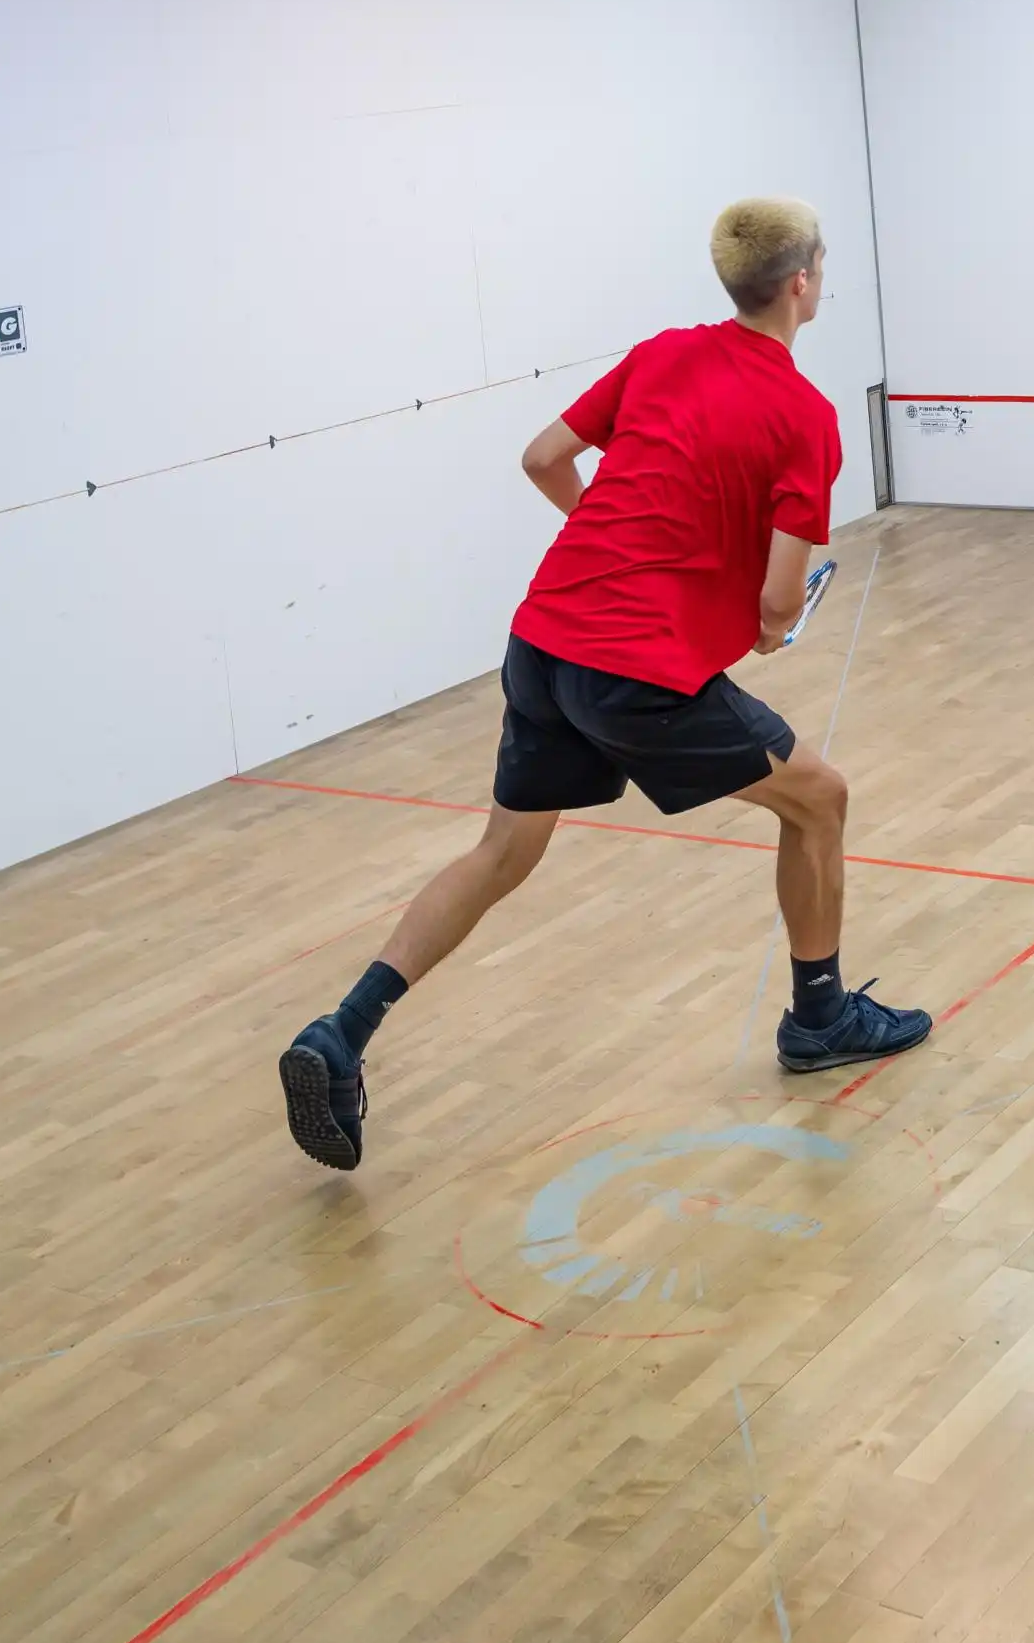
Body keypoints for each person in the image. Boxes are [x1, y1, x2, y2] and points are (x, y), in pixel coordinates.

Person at [277, 197, 929, 1172]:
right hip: (636, 671)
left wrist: (621, 546)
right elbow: (776, 605)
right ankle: (820, 1015)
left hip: (544, 639)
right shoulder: (805, 416)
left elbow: (543, 458)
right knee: (820, 801)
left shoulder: (662, 353)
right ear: (801, 283)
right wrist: (765, 620)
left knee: (502, 851)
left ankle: (342, 1031)